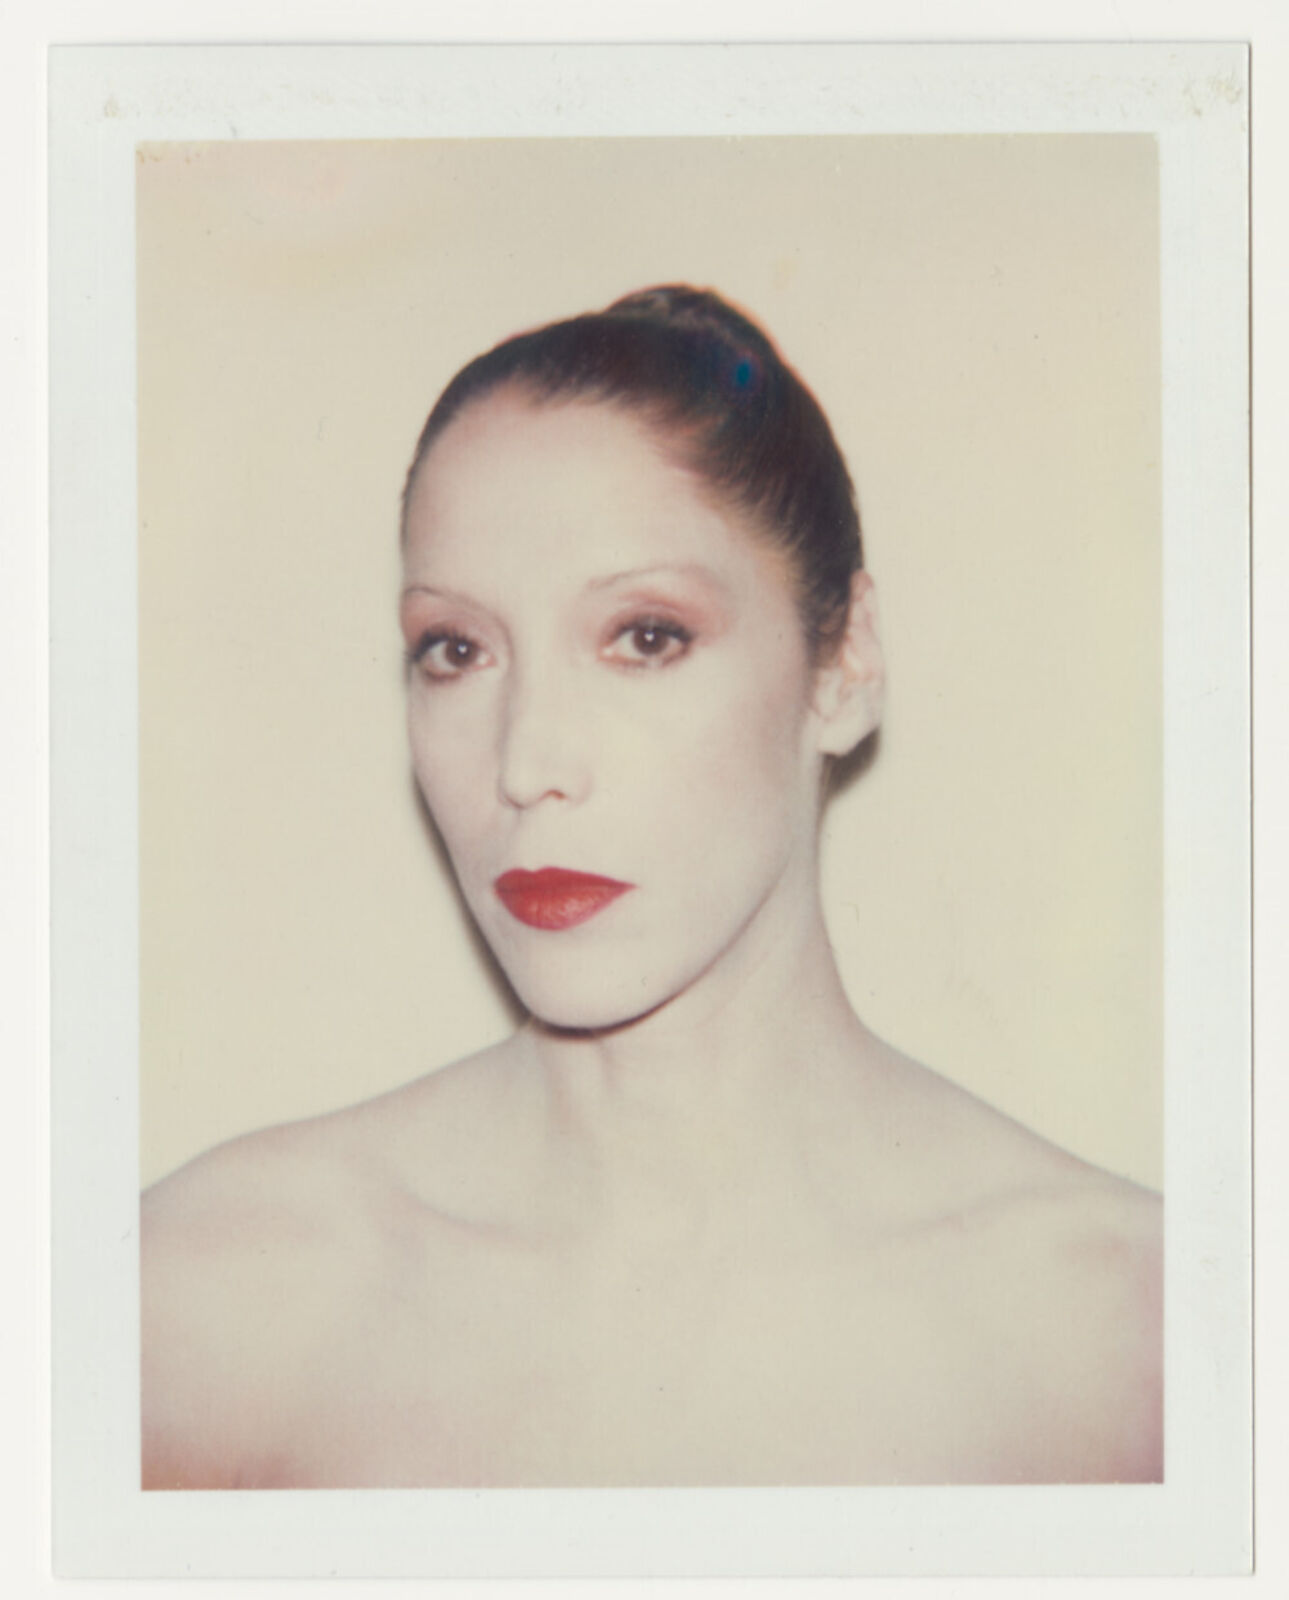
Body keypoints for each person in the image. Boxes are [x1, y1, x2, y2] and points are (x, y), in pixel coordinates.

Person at [141, 286, 1162, 1489]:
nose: (524, 764)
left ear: (842, 664)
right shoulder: (206, 1297)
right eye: (455, 651)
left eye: (644, 635)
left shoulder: (1131, 1342)